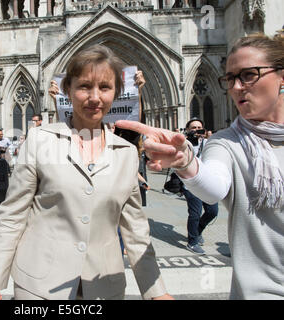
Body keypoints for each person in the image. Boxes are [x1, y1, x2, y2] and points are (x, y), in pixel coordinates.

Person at [0, 44, 172, 300]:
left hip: (104, 286)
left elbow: (136, 231)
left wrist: (156, 291)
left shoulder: (126, 152)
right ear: (68, 90)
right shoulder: (39, 140)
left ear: (115, 93)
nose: (95, 97)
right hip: (38, 286)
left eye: (105, 87)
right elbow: (12, 215)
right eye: (84, 86)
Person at [116, 33, 284, 299]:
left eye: (249, 75)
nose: (236, 87)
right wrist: (186, 161)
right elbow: (213, 187)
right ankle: (195, 237)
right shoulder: (226, 143)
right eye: (230, 78)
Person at [180, 118, 219, 255]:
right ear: (187, 130)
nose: (196, 130)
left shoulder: (209, 143)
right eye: (193, 128)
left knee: (212, 211)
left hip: (206, 183)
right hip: (190, 184)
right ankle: (192, 242)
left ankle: (198, 231)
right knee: (195, 213)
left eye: (198, 128)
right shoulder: (184, 144)